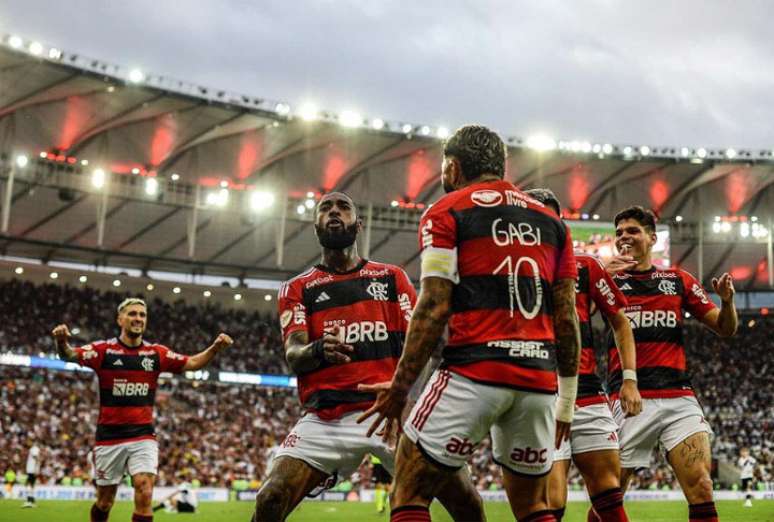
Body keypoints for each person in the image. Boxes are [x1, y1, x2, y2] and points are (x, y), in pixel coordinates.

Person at [359, 125, 582, 522]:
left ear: (452, 167)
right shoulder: (553, 224)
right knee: (533, 507)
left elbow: (433, 306)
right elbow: (566, 319)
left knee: (408, 489)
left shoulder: (447, 211)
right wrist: (565, 403)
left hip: (474, 372)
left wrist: (399, 389)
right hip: (538, 382)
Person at [253, 191, 482, 522]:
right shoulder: (298, 287)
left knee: (468, 503)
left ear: (358, 224)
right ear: (316, 226)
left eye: (343, 207)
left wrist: (406, 400)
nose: (334, 212)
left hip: (392, 412)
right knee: (270, 498)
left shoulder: (391, 278)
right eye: (325, 209)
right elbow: (294, 354)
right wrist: (318, 349)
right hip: (327, 419)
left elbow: (424, 345)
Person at [605, 206, 737, 522]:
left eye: (632, 230)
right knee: (608, 495)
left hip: (679, 398)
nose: (624, 237)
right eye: (619, 232)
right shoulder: (606, 279)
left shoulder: (678, 280)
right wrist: (601, 275)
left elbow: (726, 328)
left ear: (652, 238)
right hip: (630, 399)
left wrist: (728, 302)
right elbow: (569, 308)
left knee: (703, 487)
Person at [52, 297, 233, 522]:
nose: (138, 318)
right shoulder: (103, 351)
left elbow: (192, 363)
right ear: (120, 319)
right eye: (132, 314)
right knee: (105, 501)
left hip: (143, 435)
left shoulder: (156, 354)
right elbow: (68, 355)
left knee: (145, 490)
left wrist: (215, 348)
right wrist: (61, 342)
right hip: (109, 438)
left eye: (142, 315)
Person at [526, 189, 641, 522]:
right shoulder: (513, 269)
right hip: (542, 394)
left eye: (548, 218)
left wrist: (630, 379)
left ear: (560, 223)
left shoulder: (587, 267)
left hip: (588, 393)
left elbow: (620, 322)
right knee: (553, 498)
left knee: (609, 492)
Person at [22, 441, 41, 508]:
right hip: (33, 469)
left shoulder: (34, 448)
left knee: (28, 484)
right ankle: (32, 501)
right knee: (31, 485)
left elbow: (36, 457)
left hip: (32, 470)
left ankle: (29, 501)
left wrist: (36, 468)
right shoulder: (35, 449)